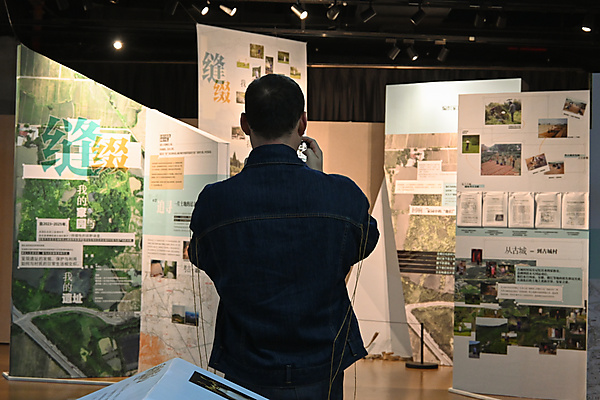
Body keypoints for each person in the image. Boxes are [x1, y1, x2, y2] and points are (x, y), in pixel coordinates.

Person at [188, 74, 379, 400]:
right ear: (303, 122)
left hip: (246, 364)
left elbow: (201, 256)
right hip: (321, 365)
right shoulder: (342, 194)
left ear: (245, 124)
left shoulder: (215, 201)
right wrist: (318, 182)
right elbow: (364, 243)